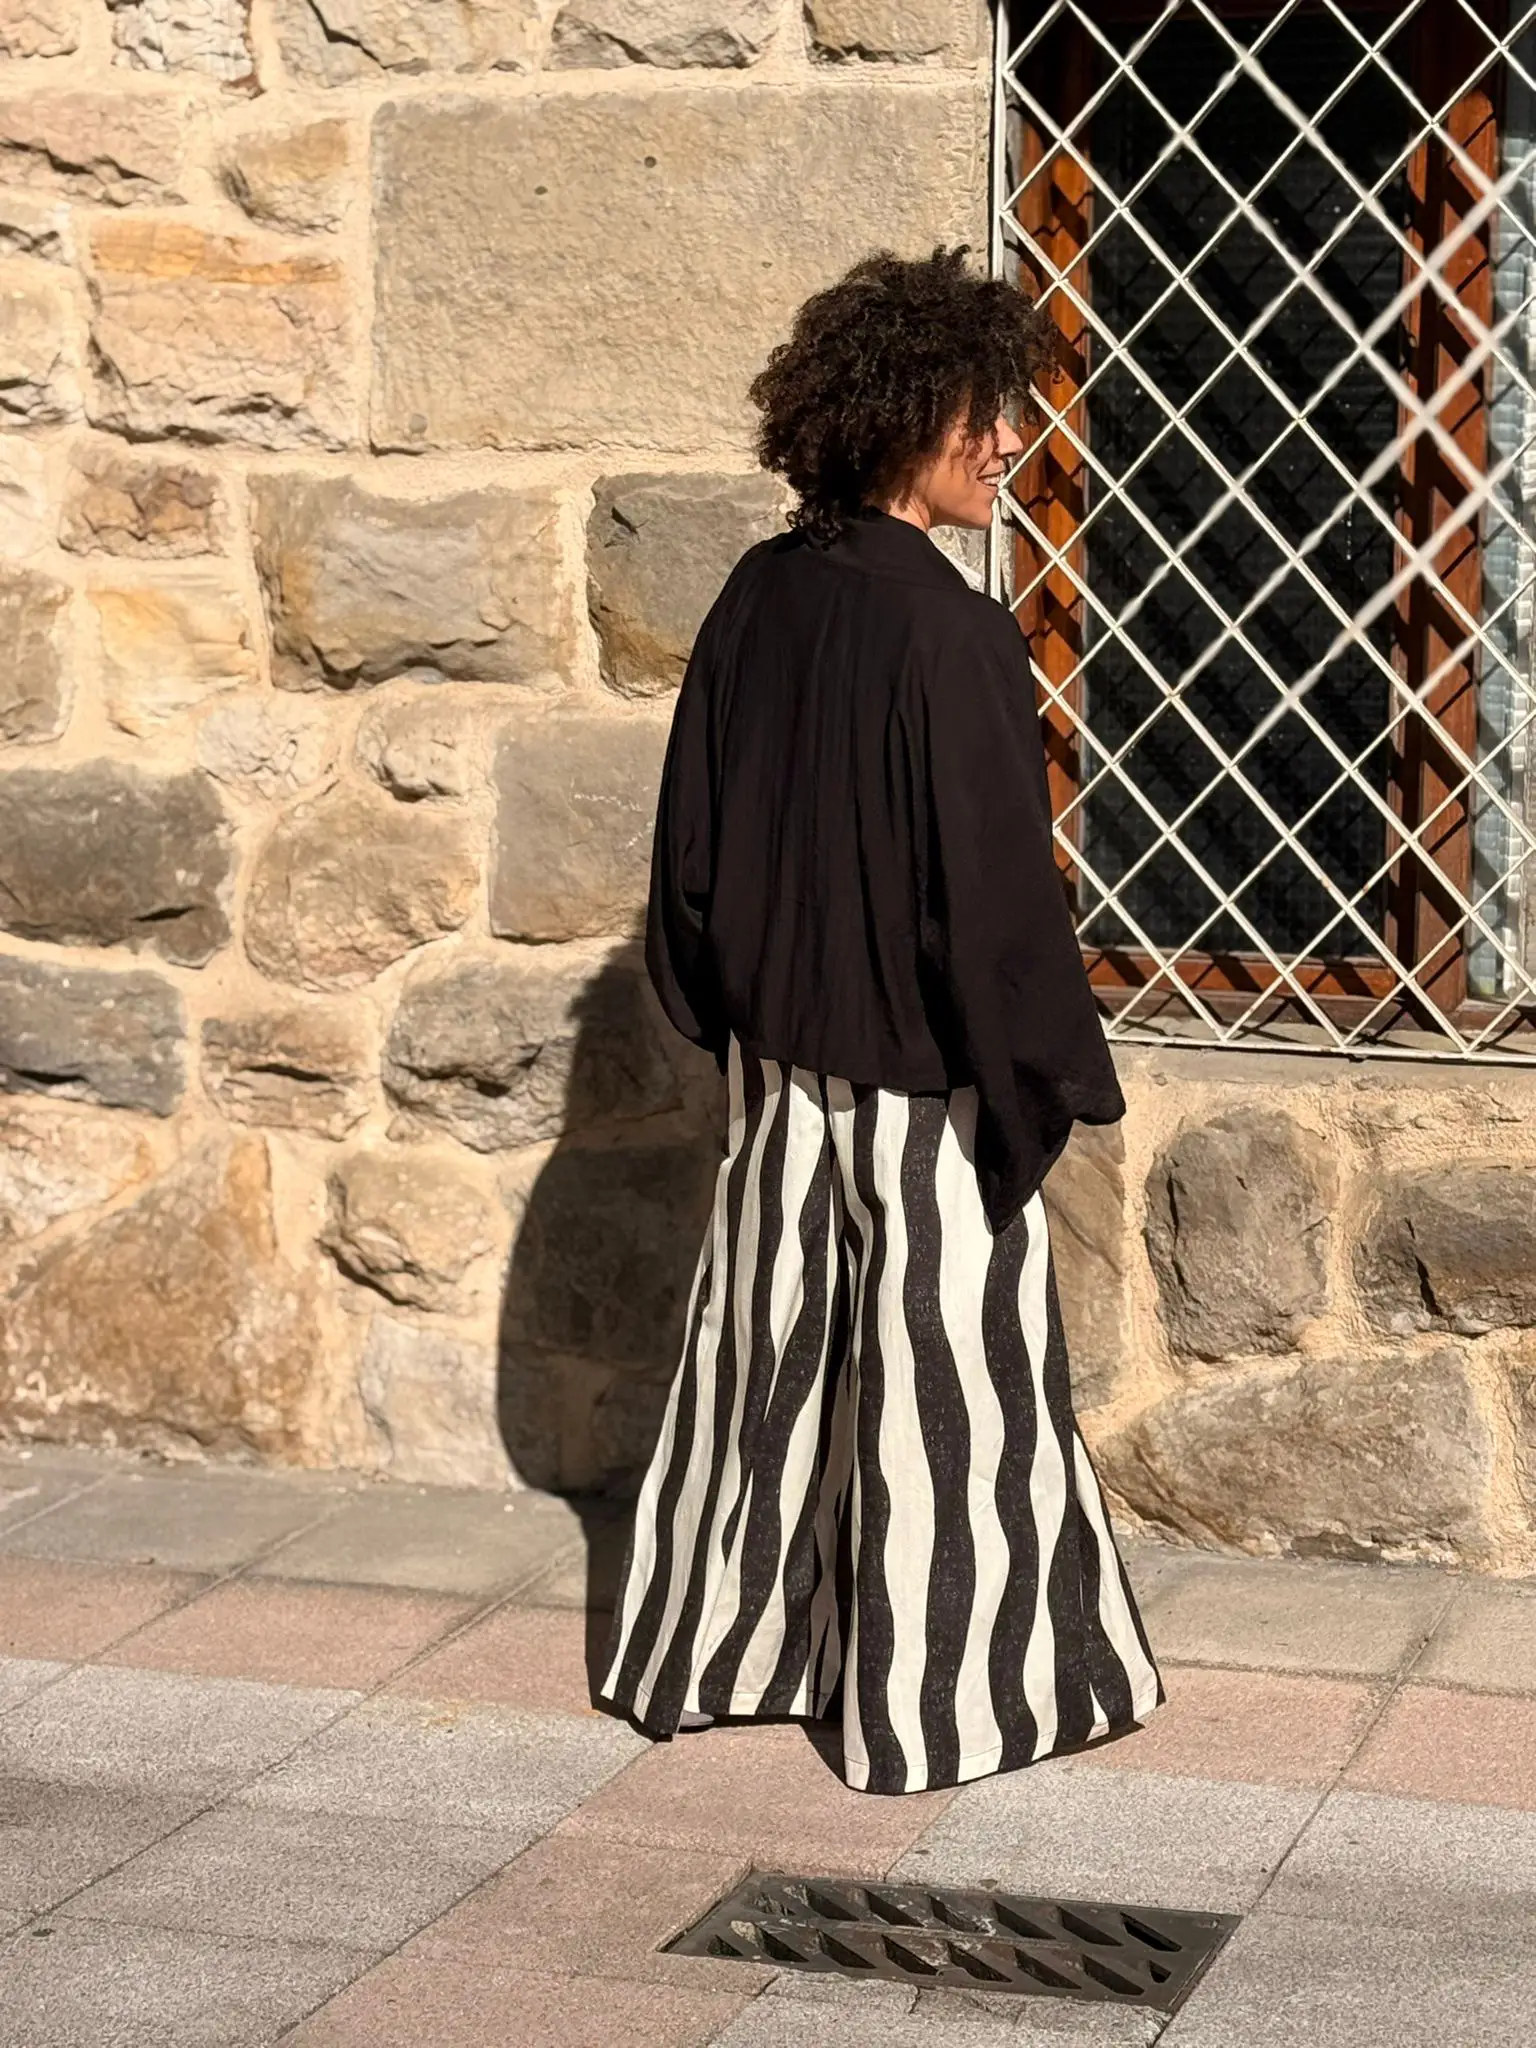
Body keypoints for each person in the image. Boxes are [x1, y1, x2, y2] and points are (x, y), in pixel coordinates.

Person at [596, 245, 1163, 1796]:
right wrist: (1043, 1084)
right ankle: (945, 1706)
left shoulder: (759, 595)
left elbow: (689, 861)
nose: (1009, 442)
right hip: (927, 1099)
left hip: (781, 1088)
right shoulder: (954, 636)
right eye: (982, 413)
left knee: (770, 1383)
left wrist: (747, 1029)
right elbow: (993, 911)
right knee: (950, 1401)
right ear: (900, 417)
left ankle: (729, 1653)